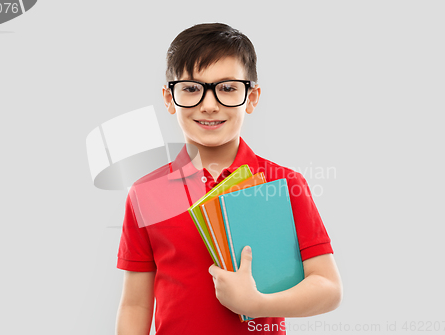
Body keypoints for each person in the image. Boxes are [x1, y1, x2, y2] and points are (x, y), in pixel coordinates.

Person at [115, 23, 342, 335]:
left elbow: (328, 287)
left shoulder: (283, 184)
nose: (209, 104)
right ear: (169, 99)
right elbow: (135, 304)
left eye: (227, 88)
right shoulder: (146, 194)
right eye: (192, 89)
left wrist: (257, 303)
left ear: (252, 97)